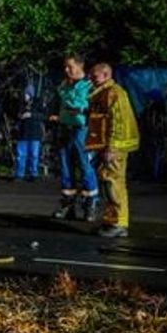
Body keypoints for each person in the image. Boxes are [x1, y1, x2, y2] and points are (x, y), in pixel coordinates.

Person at [85, 63, 139, 237]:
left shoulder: (114, 93)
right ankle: (111, 220)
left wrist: (112, 146)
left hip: (115, 147)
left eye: (95, 76)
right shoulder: (103, 93)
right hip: (106, 146)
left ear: (106, 74)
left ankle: (119, 222)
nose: (91, 79)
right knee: (107, 182)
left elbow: (118, 122)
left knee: (113, 183)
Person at [50, 55, 98, 220]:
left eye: (70, 66)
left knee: (85, 166)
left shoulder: (90, 86)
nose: (66, 70)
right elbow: (57, 104)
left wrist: (82, 111)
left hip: (82, 129)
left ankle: (89, 204)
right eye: (65, 67)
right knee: (65, 167)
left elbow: (96, 109)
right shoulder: (63, 85)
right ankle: (67, 204)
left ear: (80, 66)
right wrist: (54, 114)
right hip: (65, 128)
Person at [14, 86, 45, 181]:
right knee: (20, 155)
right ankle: (19, 174)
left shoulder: (38, 103)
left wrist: (31, 115)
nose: (25, 96)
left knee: (34, 155)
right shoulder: (20, 104)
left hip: (35, 132)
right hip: (22, 133)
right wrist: (19, 116)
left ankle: (33, 174)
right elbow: (15, 114)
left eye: (27, 94)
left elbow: (44, 115)